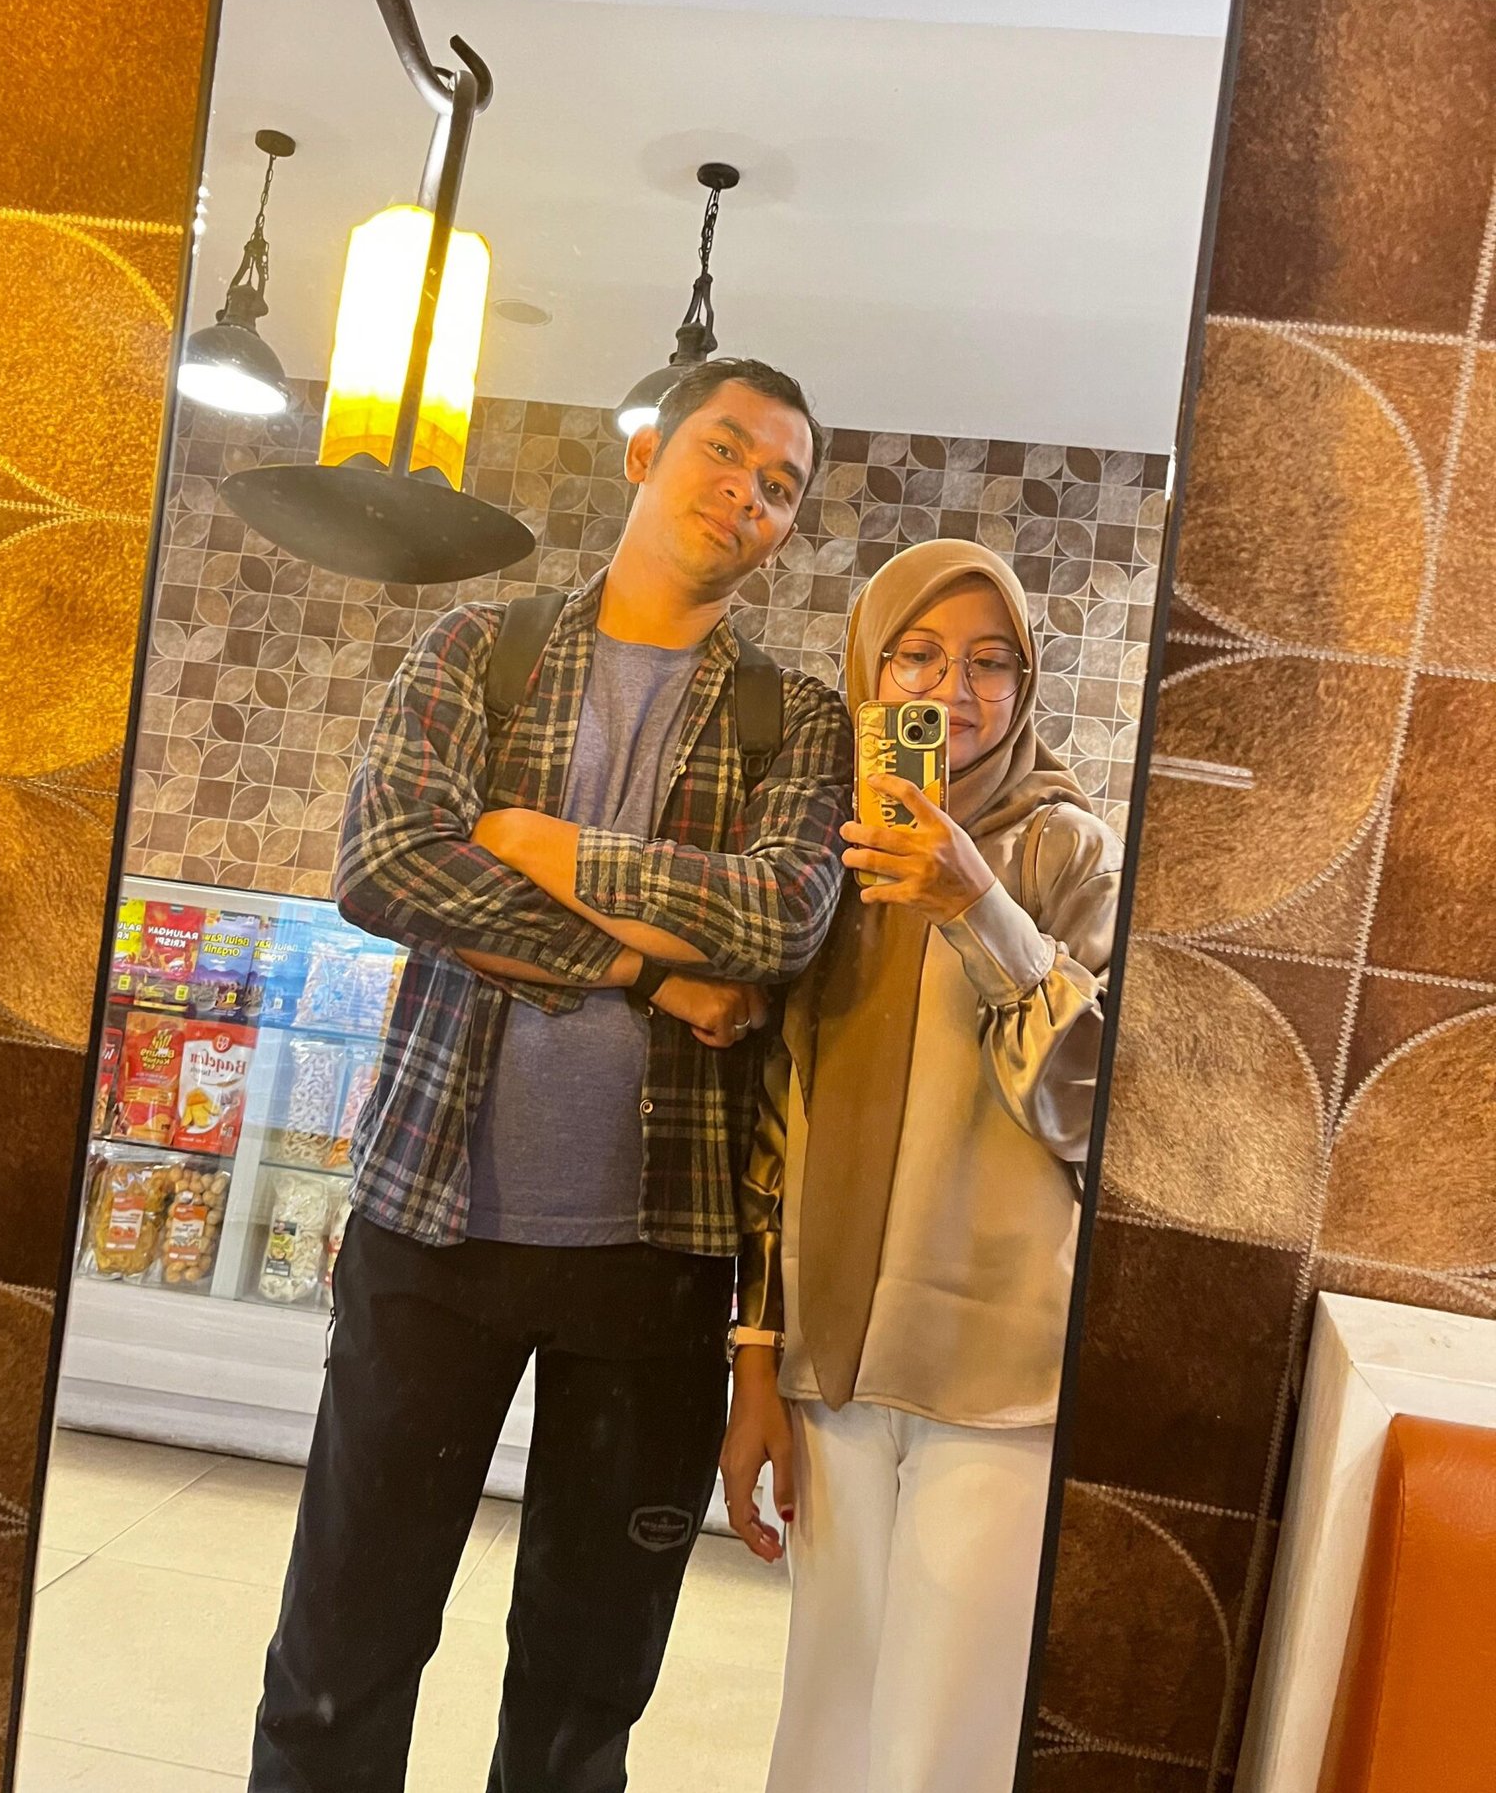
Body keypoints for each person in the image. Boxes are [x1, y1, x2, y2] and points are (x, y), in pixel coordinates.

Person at [250, 358, 853, 1793]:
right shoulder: (481, 647)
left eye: (780, 487)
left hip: (660, 1259)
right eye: (725, 452)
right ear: (646, 452)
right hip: (429, 1223)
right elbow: (387, 865)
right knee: (341, 1652)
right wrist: (644, 969)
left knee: (587, 1693)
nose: (746, 494)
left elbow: (781, 916)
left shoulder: (795, 716)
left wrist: (533, 842)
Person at [720, 537, 1123, 1793]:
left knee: (941, 1750)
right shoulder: (825, 856)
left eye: (991, 663)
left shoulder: (1064, 853)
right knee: (825, 1734)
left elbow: (1095, 1108)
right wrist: (756, 1366)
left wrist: (975, 905)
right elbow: (778, 1125)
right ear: (869, 673)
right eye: (919, 657)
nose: (955, 690)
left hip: (996, 1377)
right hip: (832, 1368)